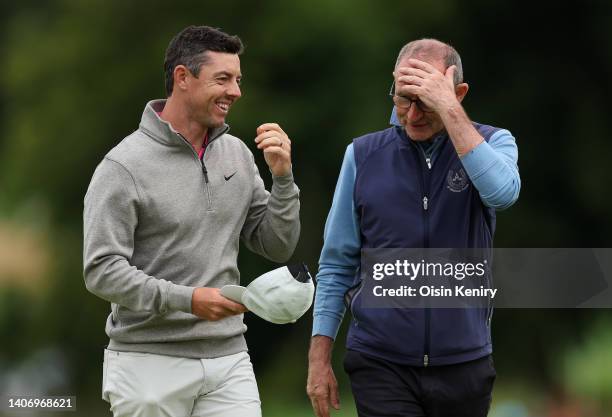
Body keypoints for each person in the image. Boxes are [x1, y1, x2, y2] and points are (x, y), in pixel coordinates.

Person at [83, 25, 300, 417]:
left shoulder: (237, 154)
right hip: (148, 365)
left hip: (229, 358)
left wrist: (283, 178)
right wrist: (189, 300)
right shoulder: (122, 166)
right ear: (183, 77)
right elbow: (101, 270)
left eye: (238, 79)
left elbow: (276, 244)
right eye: (223, 79)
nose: (236, 91)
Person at [307, 38, 520, 417]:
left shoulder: (493, 142)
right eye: (404, 98)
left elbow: (503, 193)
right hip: (380, 360)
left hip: (464, 362)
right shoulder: (362, 155)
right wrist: (318, 357)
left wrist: (449, 109)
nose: (413, 114)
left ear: (458, 93)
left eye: (427, 100)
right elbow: (337, 264)